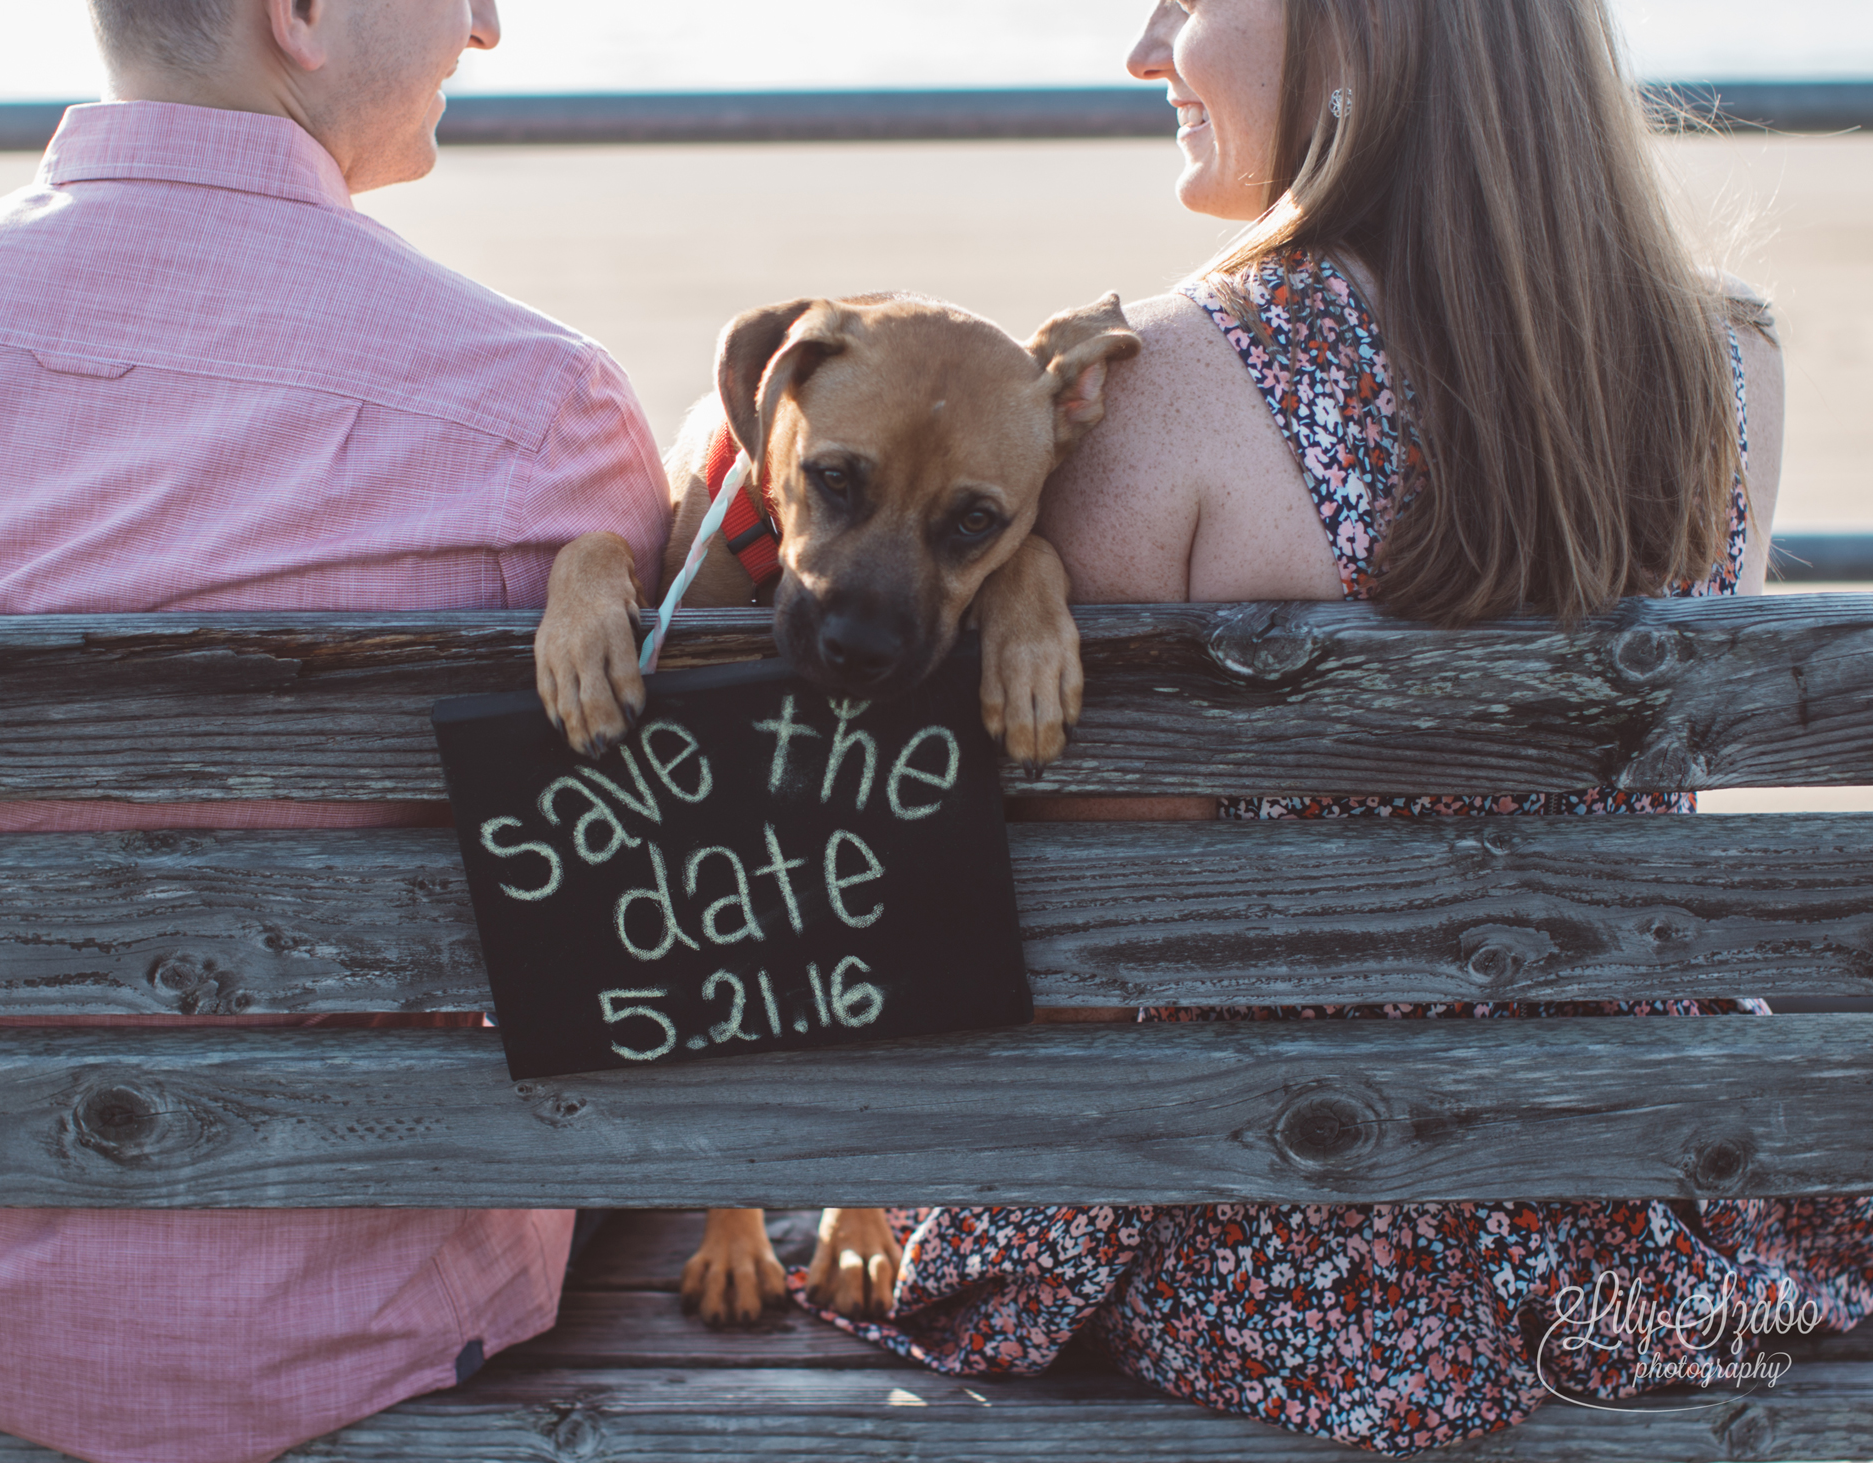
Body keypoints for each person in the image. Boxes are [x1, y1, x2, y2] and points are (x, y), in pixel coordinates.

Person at [792, 0, 1873, 1453]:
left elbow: (1088, 942)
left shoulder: (1163, 389)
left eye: (1185, 1)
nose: (1145, 47)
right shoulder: (1725, 367)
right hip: (1639, 1208)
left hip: (1267, 1226)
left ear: (1366, 33)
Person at [0, 1, 668, 1460]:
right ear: (305, 14)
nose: (487, 23)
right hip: (355, 1316)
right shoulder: (533, 408)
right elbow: (634, 875)